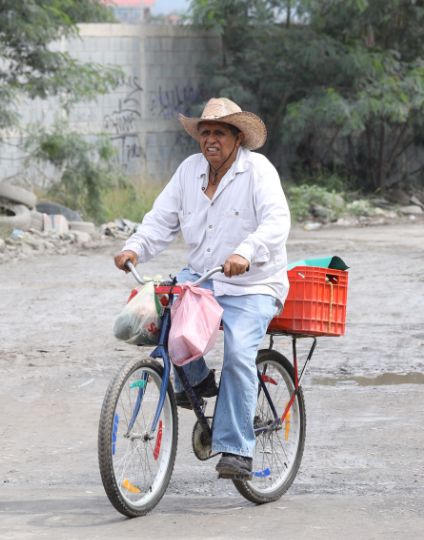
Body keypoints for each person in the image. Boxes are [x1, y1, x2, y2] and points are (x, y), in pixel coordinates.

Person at [113, 97, 290, 479]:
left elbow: (277, 223)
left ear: (238, 138)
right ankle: (196, 381)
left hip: (253, 284)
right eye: (205, 132)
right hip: (203, 276)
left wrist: (245, 252)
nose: (211, 140)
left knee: (239, 354)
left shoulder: (258, 171)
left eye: (220, 133)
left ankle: (237, 449)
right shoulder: (189, 171)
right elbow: (160, 220)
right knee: (164, 319)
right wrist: (134, 247)